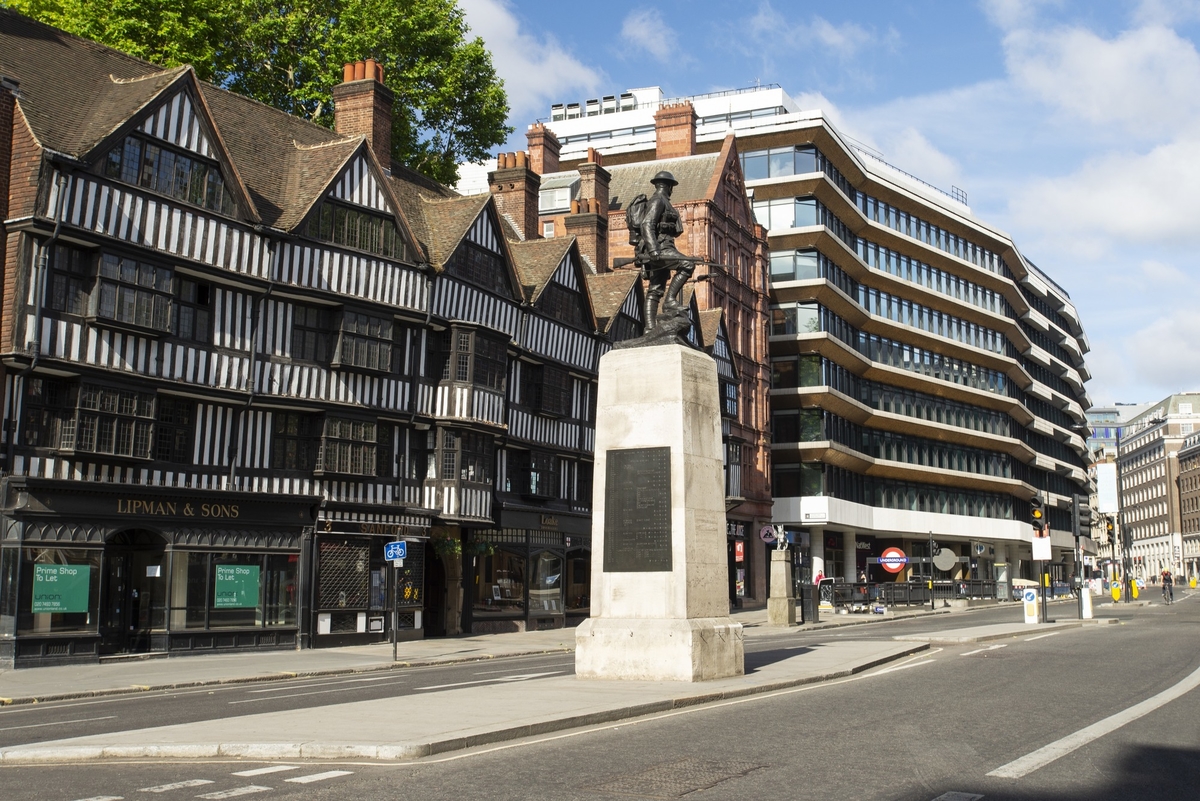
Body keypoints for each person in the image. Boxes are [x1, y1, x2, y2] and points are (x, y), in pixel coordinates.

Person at [635, 171, 694, 330]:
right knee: (687, 264)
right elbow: (647, 224)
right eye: (671, 186)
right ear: (669, 186)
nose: (671, 189)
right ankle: (669, 301)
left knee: (655, 288)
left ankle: (650, 328)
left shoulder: (665, 202)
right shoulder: (658, 200)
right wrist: (653, 250)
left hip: (666, 246)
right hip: (660, 247)